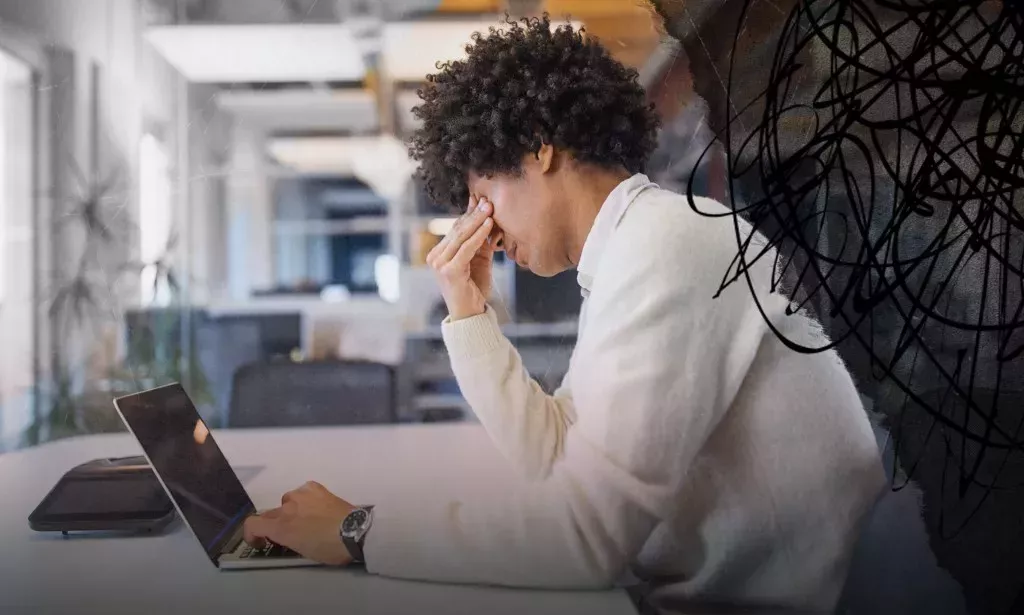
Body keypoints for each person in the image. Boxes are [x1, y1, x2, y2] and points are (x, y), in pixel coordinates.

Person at [243, 15, 884, 614]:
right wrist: (469, 315)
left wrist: (358, 532)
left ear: (538, 148)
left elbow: (585, 542)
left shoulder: (669, 242)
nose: (481, 229)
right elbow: (554, 460)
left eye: (480, 195)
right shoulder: (633, 248)